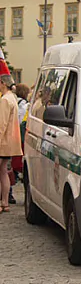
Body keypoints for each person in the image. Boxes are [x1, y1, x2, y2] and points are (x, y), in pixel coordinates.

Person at [0, 73, 22, 213]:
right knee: (3, 172)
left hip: (2, 142)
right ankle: (5, 202)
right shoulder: (12, 98)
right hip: (10, 143)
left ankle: (2, 202)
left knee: (2, 172)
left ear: (2, 83)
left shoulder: (4, 100)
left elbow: (1, 124)